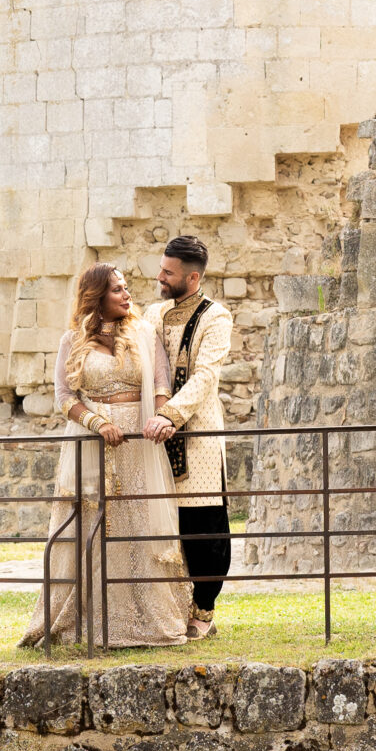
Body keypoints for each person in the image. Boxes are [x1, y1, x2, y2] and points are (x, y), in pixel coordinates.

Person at [19, 263, 191, 651]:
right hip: (93, 443)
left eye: (126, 287)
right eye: (117, 289)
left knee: (140, 522)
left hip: (140, 442)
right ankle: (89, 619)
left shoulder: (145, 334)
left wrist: (161, 417)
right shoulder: (72, 341)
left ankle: (150, 621)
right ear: (97, 296)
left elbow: (161, 383)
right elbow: (65, 398)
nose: (127, 295)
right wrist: (97, 422)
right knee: (94, 525)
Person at [141, 233, 234, 641]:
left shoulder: (216, 317)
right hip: (155, 437)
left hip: (197, 436)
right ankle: (168, 610)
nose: (160, 277)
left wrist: (172, 415)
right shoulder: (153, 315)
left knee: (203, 524)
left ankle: (204, 609)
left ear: (192, 278)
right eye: (161, 269)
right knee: (161, 524)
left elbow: (206, 375)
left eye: (168, 273)